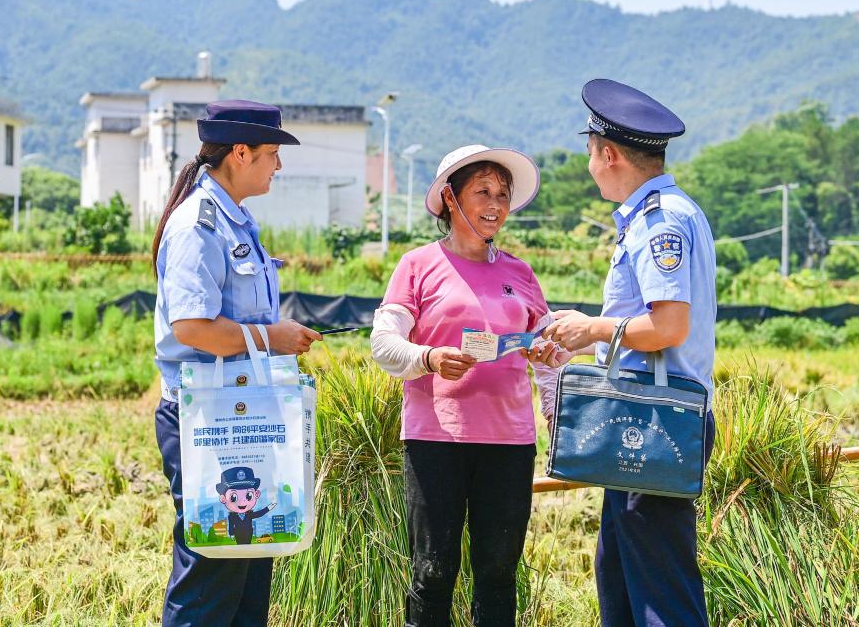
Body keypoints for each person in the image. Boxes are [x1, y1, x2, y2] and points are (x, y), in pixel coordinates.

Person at [541, 79, 717, 627]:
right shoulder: (663, 214)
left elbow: (667, 326)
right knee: (621, 576)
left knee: (659, 587)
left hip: (655, 418)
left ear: (609, 154)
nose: (590, 164)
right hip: (645, 417)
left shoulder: (660, 223)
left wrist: (593, 328)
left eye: (591, 152)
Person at [370, 144, 568, 627]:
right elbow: (383, 344)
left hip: (509, 443)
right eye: (482, 191)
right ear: (449, 199)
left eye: (503, 193)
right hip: (436, 440)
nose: (496, 204)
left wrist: (553, 387)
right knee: (434, 571)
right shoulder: (417, 266)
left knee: (499, 573)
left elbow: (547, 357)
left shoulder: (520, 273)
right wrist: (430, 357)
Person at [151, 100, 323, 627]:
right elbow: (193, 328)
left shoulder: (237, 222)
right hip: (207, 418)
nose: (278, 166)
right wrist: (274, 337)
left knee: (251, 565)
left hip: (245, 413)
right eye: (271, 154)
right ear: (240, 153)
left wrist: (273, 338)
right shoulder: (197, 226)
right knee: (212, 566)